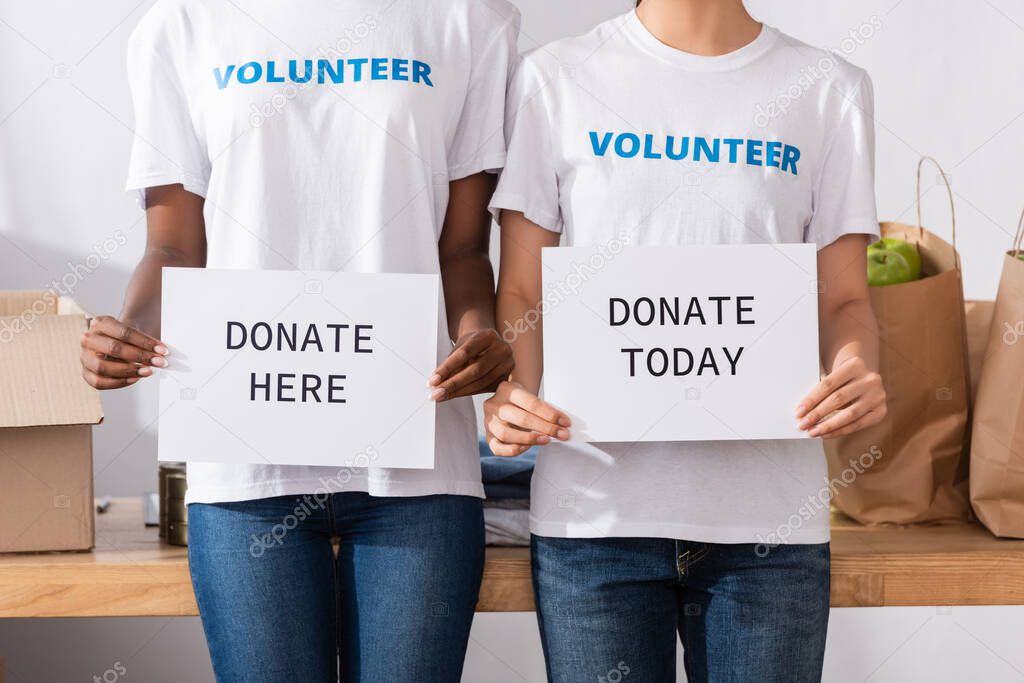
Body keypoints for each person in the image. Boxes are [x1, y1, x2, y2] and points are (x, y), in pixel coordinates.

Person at [80, 0, 519, 680]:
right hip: (244, 459)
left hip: (419, 460)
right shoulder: (182, 24)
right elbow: (172, 245)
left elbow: (463, 249)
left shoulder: (469, 19)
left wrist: (478, 335)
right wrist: (130, 333)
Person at [486, 0, 886, 681]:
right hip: (595, 522)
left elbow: (845, 297)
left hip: (767, 526)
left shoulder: (829, 88)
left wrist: (857, 364)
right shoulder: (552, 78)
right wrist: (511, 393)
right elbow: (524, 292)